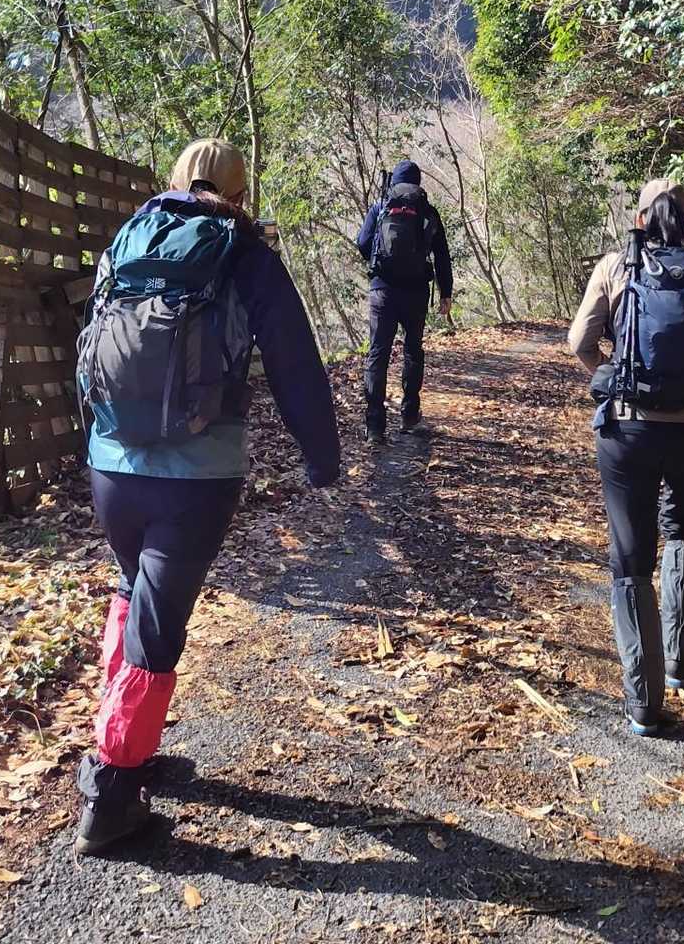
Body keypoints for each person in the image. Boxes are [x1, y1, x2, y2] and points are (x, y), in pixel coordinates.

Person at [74, 139, 340, 856]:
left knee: (132, 593)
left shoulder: (129, 239)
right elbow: (293, 362)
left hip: (112, 465)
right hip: (196, 478)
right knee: (157, 628)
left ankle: (124, 745)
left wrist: (92, 443)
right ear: (239, 192)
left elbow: (91, 345)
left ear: (175, 181)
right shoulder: (245, 254)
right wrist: (322, 457)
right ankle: (112, 791)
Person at [568, 177, 684, 735]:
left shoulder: (615, 268)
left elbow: (578, 342)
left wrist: (613, 375)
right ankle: (679, 667)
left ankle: (644, 705)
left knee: (631, 559)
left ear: (641, 218)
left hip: (629, 431)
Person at [357, 158, 453, 444]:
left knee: (378, 355)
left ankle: (375, 426)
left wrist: (380, 263)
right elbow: (442, 255)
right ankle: (409, 416)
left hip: (382, 292)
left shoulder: (380, 206)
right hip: (416, 292)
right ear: (418, 183)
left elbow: (362, 242)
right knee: (413, 352)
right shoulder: (427, 211)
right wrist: (445, 293)